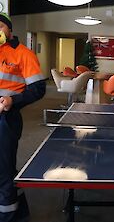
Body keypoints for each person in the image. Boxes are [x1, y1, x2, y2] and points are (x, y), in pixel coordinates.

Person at [0, 12, 46, 222]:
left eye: (0, 26)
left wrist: (13, 101)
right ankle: (21, 211)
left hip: (6, 119)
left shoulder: (23, 54)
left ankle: (8, 216)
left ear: (9, 30)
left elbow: (38, 88)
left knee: (3, 170)